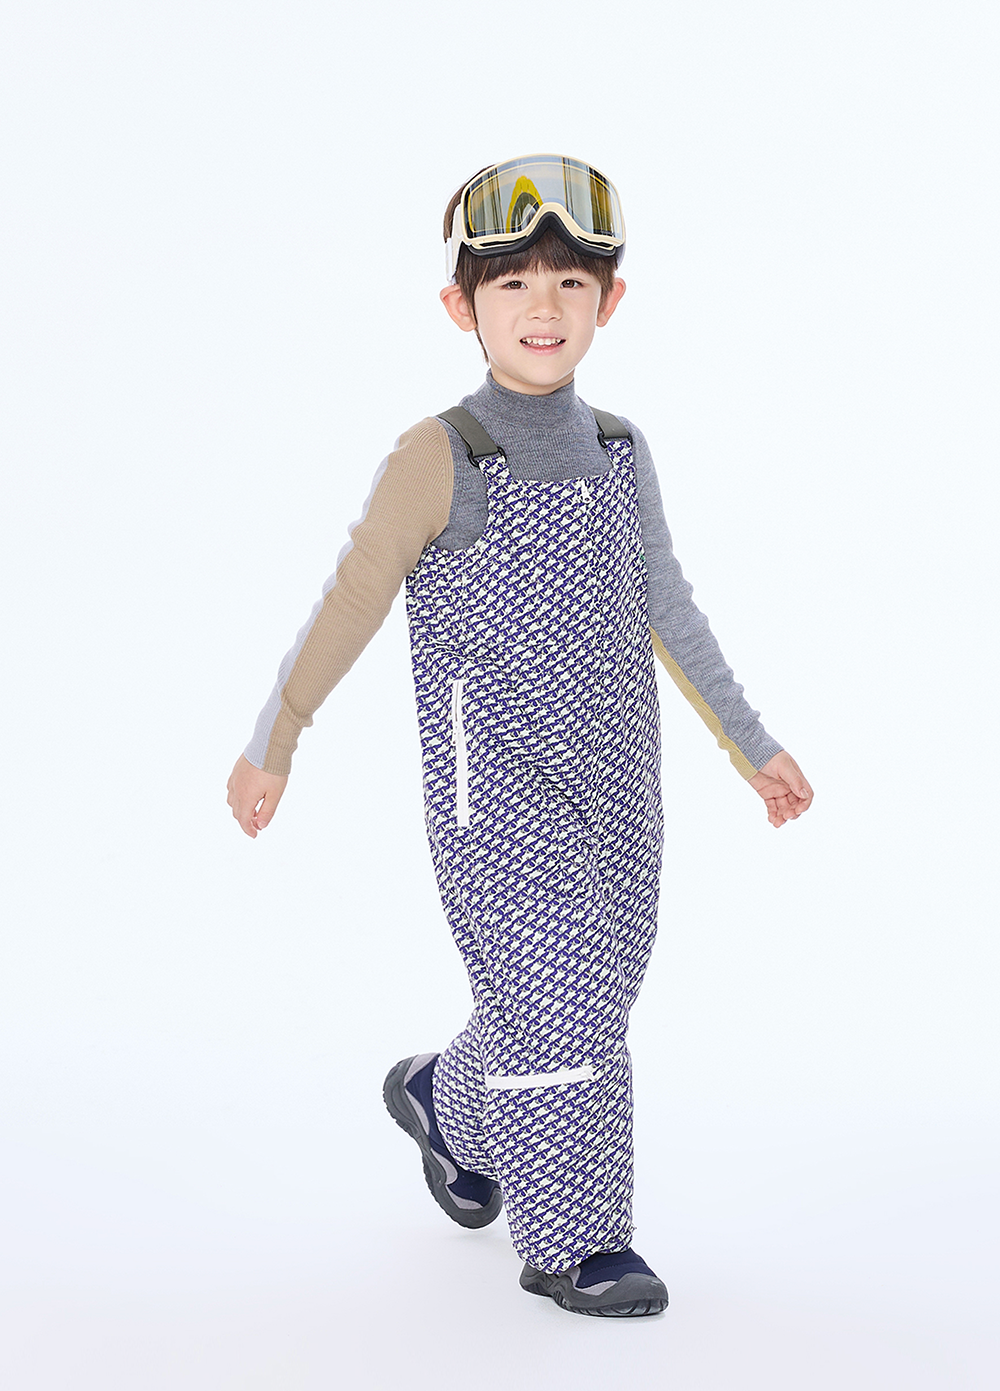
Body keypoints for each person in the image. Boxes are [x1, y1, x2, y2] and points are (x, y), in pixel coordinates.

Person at [226, 154, 814, 1318]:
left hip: (619, 778)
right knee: (560, 1000)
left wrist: (752, 745)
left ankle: (447, 1101)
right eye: (511, 283)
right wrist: (276, 733)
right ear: (462, 306)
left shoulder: (620, 450)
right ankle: (576, 1242)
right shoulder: (439, 455)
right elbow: (353, 597)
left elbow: (667, 605)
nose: (542, 306)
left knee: (585, 989)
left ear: (609, 300)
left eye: (569, 282)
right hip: (493, 784)